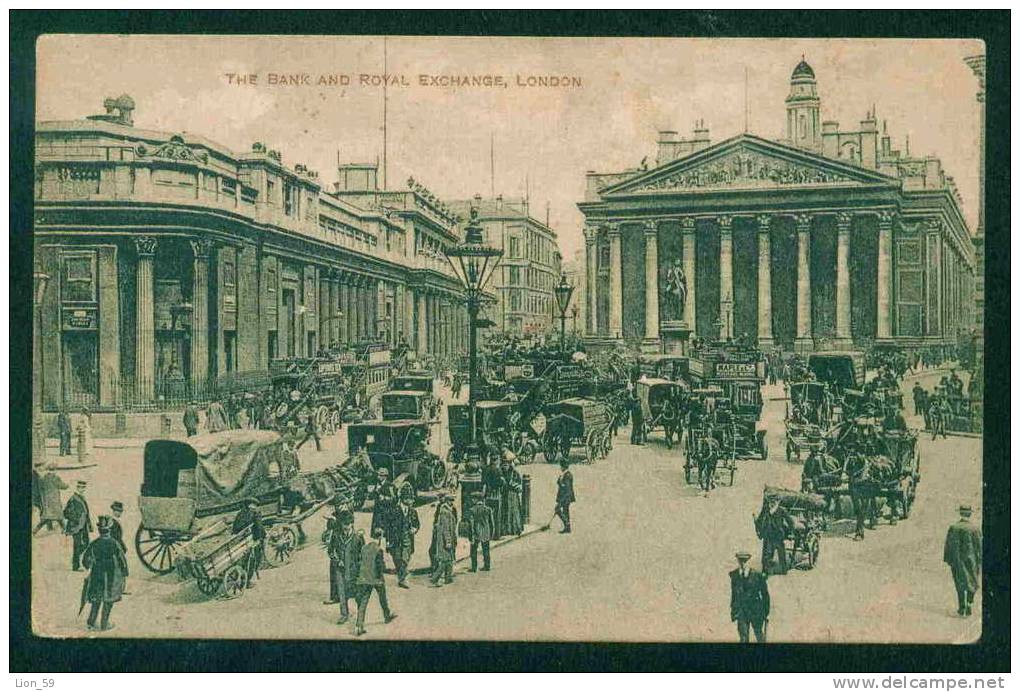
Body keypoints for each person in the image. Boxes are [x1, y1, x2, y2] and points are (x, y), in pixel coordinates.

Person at [80, 516, 129, 631]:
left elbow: (85, 560)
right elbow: (122, 560)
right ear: (109, 530)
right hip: (111, 577)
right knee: (108, 602)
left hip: (97, 575)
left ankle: (91, 622)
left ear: (99, 530)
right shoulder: (114, 543)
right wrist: (125, 572)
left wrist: (90, 565)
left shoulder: (94, 543)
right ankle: (104, 624)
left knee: (96, 600)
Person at [354, 527, 397, 636]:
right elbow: (380, 567)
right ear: (379, 537)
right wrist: (386, 573)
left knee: (363, 602)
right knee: (382, 597)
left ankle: (359, 625)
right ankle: (387, 616)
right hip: (376, 579)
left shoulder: (364, 548)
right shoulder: (378, 550)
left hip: (364, 578)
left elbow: (359, 561)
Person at [326, 510, 364, 623]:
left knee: (357, 593)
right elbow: (330, 551)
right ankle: (344, 614)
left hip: (354, 570)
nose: (346, 527)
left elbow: (363, 554)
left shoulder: (358, 537)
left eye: (348, 524)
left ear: (352, 523)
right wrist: (337, 561)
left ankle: (360, 614)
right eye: (344, 524)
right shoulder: (336, 536)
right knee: (342, 593)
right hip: (340, 570)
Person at [944, 505, 982, 617]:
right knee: (972, 582)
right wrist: (979, 560)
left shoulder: (953, 527)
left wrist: (948, 559)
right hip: (972, 561)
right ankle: (969, 602)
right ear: (970, 514)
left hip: (957, 561)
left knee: (959, 583)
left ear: (960, 513)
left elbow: (948, 545)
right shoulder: (975, 529)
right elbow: (979, 546)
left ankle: (962, 607)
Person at [730, 551, 769, 643]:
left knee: (759, 635)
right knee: (743, 638)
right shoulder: (734, 575)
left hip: (756, 611)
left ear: (748, 561)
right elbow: (734, 594)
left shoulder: (757, 576)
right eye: (740, 561)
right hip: (741, 611)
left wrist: (766, 612)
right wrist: (733, 610)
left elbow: (765, 595)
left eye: (745, 561)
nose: (742, 563)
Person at [755, 496, 792, 575]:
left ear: (777, 502)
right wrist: (756, 522)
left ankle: (783, 570)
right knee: (766, 553)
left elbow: (790, 521)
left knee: (781, 553)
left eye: (774, 501)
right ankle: (765, 571)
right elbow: (760, 519)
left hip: (778, 535)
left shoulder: (781, 510)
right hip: (768, 534)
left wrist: (791, 531)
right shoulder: (765, 510)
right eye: (771, 501)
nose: (772, 503)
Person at [232, 499, 265, 587]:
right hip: (250, 539)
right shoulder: (255, 512)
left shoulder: (240, 513)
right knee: (253, 559)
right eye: (255, 504)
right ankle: (246, 581)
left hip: (238, 540)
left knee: (243, 559)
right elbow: (259, 526)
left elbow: (234, 528)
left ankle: (240, 575)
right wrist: (261, 537)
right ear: (253, 504)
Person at [388, 496, 419, 588]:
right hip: (396, 540)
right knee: (397, 559)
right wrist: (388, 541)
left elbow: (417, 524)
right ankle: (402, 576)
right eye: (409, 498)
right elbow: (388, 527)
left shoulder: (413, 511)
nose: (411, 501)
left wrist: (415, 529)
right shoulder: (394, 511)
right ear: (403, 499)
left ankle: (402, 579)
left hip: (408, 540)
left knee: (405, 559)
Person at [429, 493, 458, 587]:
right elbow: (446, 529)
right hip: (445, 540)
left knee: (449, 559)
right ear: (447, 502)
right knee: (445, 560)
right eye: (451, 501)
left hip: (448, 538)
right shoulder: (445, 512)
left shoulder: (447, 511)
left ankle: (448, 578)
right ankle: (435, 578)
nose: (452, 503)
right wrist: (448, 541)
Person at [63, 480, 93, 571]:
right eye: (80, 487)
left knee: (86, 543)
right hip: (76, 526)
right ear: (77, 488)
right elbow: (66, 513)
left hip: (83, 525)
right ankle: (75, 566)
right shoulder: (73, 499)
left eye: (83, 487)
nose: (82, 489)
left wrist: (89, 524)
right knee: (77, 545)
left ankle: (77, 560)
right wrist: (76, 519)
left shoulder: (82, 497)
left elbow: (86, 513)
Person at [33, 463, 68, 534]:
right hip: (54, 501)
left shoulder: (43, 478)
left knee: (46, 518)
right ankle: (64, 529)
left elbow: (41, 488)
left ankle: (35, 530)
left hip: (47, 502)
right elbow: (63, 486)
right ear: (55, 470)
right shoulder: (56, 478)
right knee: (59, 517)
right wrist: (68, 485)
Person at [467, 491, 495, 572]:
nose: (472, 500)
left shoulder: (472, 510)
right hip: (486, 532)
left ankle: (474, 567)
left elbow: (472, 524)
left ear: (476, 499)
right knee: (486, 550)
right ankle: (487, 566)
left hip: (476, 533)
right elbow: (492, 523)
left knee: (473, 550)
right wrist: (492, 533)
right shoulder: (488, 509)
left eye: (473, 499)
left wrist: (471, 534)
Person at [499, 454, 524, 537]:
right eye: (503, 464)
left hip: (513, 495)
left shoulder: (515, 473)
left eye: (506, 464)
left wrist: (511, 485)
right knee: (505, 511)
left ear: (510, 464)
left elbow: (519, 484)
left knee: (513, 511)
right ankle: (506, 529)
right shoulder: (501, 472)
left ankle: (515, 529)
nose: (505, 466)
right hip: (504, 494)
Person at [371, 469, 397, 539]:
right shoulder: (377, 485)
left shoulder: (390, 486)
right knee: (377, 534)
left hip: (386, 512)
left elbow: (394, 500)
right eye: (378, 475)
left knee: (387, 534)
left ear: (385, 477)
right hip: (378, 512)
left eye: (380, 475)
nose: (378, 477)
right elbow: (372, 497)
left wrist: (384, 498)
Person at [555, 460, 576, 534]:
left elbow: (566, 488)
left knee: (557, 509)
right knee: (565, 511)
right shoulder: (564, 474)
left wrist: (561, 500)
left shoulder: (567, 475)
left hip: (565, 497)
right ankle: (567, 528)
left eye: (561, 466)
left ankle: (567, 524)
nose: (560, 467)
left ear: (563, 466)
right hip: (565, 497)